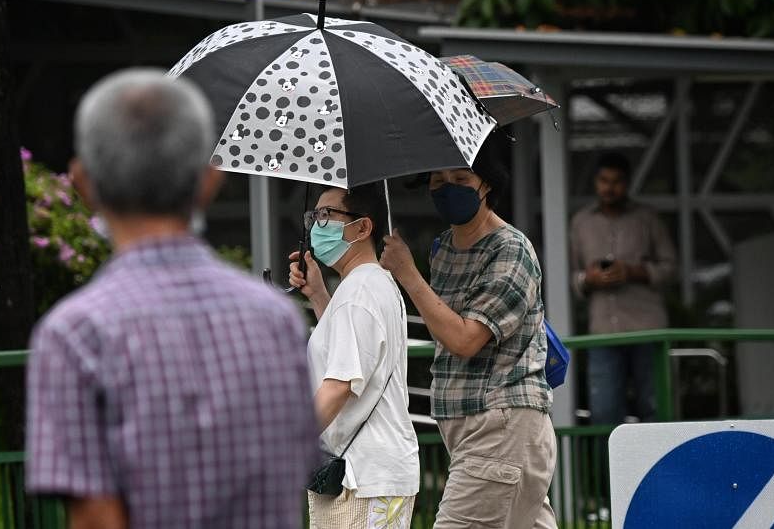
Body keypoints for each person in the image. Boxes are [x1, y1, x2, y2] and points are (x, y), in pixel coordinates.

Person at [25, 68, 317, 529]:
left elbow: (96, 518)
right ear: (210, 180)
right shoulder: (277, 320)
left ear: (83, 183)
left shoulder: (73, 334)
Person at [380, 147, 557, 529]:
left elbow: (464, 340)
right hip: (466, 427)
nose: (448, 189)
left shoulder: (511, 249)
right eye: (438, 181)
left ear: (486, 184)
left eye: (461, 179)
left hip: (500, 424)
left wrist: (409, 274)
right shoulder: (443, 248)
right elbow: (442, 326)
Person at [288, 183, 419, 529]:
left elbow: (339, 385)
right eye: (314, 215)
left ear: (363, 227)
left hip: (363, 478)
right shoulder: (370, 284)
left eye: (328, 214)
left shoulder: (358, 291)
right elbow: (351, 352)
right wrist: (318, 294)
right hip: (368, 473)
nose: (318, 224)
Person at [570, 152, 677, 424]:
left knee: (655, 409)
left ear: (627, 183)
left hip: (647, 327)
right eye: (604, 180)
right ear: (595, 182)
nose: (609, 187)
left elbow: (671, 269)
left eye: (616, 181)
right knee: (604, 412)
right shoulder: (581, 223)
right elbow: (572, 278)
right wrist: (590, 278)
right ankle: (607, 469)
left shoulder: (647, 218)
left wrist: (631, 271)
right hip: (604, 331)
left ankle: (660, 467)